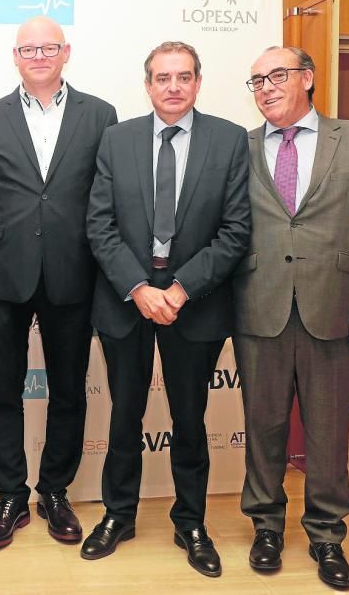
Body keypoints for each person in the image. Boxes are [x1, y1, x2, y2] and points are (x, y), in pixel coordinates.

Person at [84, 41, 250, 576]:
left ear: (198, 82)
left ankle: (191, 522)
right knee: (125, 413)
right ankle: (118, 514)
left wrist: (179, 289)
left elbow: (235, 230)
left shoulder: (228, 140)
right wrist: (138, 287)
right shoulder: (117, 139)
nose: (172, 87)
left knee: (189, 419)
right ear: (148, 85)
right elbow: (99, 225)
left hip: (193, 303)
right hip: (126, 300)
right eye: (162, 78)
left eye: (183, 77)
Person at [235, 46, 349, 588]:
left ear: (308, 77)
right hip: (259, 307)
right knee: (263, 427)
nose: (266, 87)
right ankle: (266, 527)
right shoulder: (241, 146)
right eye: (256, 80)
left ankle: (327, 535)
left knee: (328, 431)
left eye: (277, 75)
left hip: (335, 309)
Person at [0, 15, 117, 549]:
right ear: (15, 56)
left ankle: (54, 491)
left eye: (50, 47)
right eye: (30, 49)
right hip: (3, 275)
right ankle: (9, 494)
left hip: (74, 273)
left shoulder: (100, 115)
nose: (40, 56)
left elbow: (106, 200)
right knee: (2, 390)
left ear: (67, 52)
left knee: (69, 391)